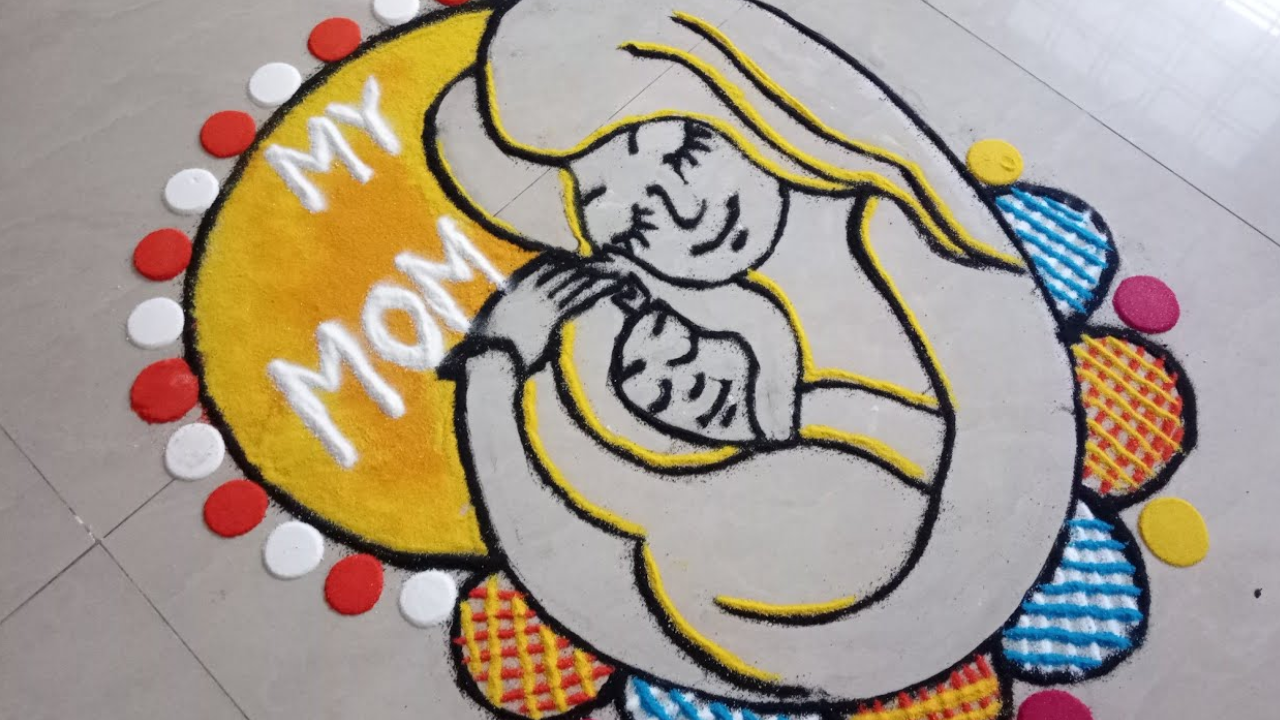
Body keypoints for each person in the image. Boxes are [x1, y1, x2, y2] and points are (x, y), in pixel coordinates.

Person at [434, 0, 1079, 702]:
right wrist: (496, 366)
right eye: (635, 217)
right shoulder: (727, 340)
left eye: (684, 152)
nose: (686, 213)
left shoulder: (894, 233)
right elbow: (565, 566)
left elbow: (1010, 463)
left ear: (742, 110)